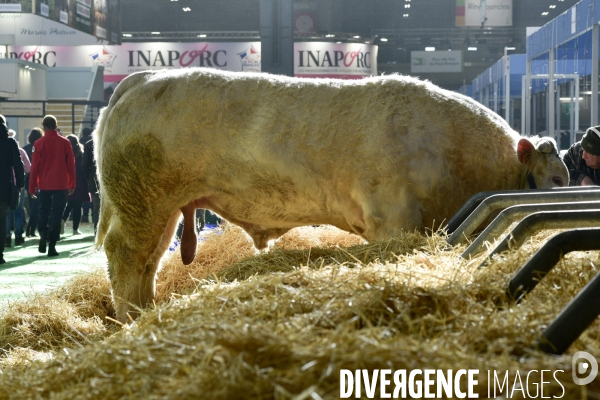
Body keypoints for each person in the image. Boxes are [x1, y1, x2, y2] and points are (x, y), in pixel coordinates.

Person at [28, 115, 75, 257]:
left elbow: (34, 167)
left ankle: (43, 234)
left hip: (45, 184)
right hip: (61, 184)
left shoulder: (38, 143)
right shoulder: (65, 142)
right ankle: (52, 246)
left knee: (44, 210)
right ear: (55, 125)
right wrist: (72, 183)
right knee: (57, 213)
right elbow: (70, 165)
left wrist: (31, 188)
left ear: (44, 126)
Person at [0, 115, 25, 264]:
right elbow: (18, 164)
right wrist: (20, 184)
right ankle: (0, 255)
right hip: (4, 189)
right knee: (2, 222)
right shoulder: (10, 142)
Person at [5, 129, 30, 247]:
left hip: (6, 184)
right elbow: (28, 168)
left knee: (6, 213)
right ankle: (19, 236)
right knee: (18, 212)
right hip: (18, 186)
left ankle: (6, 237)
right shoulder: (21, 152)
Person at [61, 134, 90, 235]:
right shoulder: (81, 154)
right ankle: (75, 229)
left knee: (69, 204)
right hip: (80, 183)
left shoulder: (64, 153)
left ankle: (62, 220)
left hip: (67, 182)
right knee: (77, 206)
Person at [23, 128, 43, 237]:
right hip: (39, 181)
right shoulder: (41, 148)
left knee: (31, 207)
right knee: (37, 207)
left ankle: (29, 229)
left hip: (27, 181)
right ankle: (33, 230)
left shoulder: (25, 149)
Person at [82, 137, 100, 233]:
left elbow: (84, 165)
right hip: (113, 181)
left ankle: (97, 235)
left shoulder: (89, 144)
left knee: (97, 209)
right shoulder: (113, 139)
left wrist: (90, 179)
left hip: (95, 180)